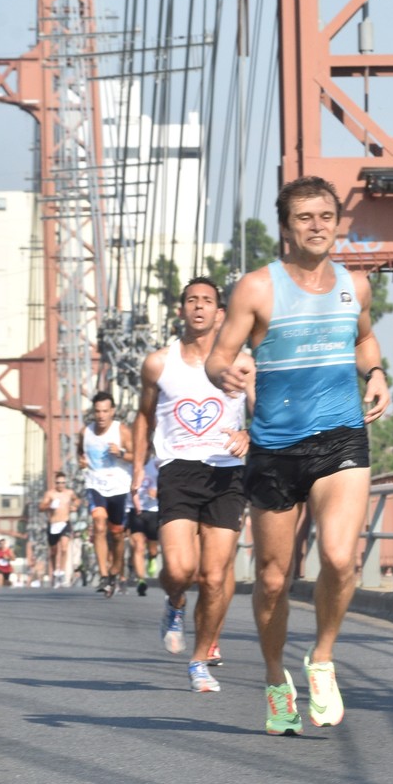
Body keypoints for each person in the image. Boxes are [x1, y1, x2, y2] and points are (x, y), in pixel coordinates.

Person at [207, 176, 388, 733]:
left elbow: (362, 339)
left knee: (339, 558)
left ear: (338, 223)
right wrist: (228, 373)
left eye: (325, 216)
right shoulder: (256, 289)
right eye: (304, 218)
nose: (316, 226)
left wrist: (376, 372)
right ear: (286, 227)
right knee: (271, 578)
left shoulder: (353, 286)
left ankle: (323, 659)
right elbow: (219, 356)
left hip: (340, 436)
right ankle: (272, 676)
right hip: (275, 448)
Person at [137, 276, 252, 695]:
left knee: (216, 575)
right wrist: (139, 469)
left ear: (221, 313)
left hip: (226, 472)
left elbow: (265, 412)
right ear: (181, 310)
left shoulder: (244, 362)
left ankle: (200, 660)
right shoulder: (158, 363)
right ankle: (175, 604)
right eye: (192, 300)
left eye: (208, 301)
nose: (199, 307)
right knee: (181, 569)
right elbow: (143, 417)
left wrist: (250, 435)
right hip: (178, 471)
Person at [79, 390, 134, 597]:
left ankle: (115, 570)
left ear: (112, 411)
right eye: (97, 411)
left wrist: (120, 453)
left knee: (117, 534)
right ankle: (103, 575)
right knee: (99, 524)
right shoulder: (86, 432)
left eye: (105, 411)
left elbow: (137, 456)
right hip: (95, 484)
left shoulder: (122, 431)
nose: (101, 416)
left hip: (119, 487)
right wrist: (82, 461)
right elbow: (80, 452)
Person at [126, 455, 162, 596]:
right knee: (138, 545)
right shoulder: (130, 465)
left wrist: (157, 493)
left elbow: (168, 483)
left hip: (154, 510)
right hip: (135, 510)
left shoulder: (157, 463)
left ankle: (152, 558)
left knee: (152, 549)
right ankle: (141, 580)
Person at [38, 473, 81, 587]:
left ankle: (61, 572)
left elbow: (77, 500)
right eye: (58, 483)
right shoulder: (50, 494)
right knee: (53, 551)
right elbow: (41, 507)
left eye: (63, 483)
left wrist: (75, 506)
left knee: (64, 548)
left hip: (65, 523)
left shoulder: (69, 493)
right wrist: (49, 506)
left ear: (65, 483)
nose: (60, 485)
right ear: (55, 483)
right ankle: (55, 573)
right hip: (53, 524)